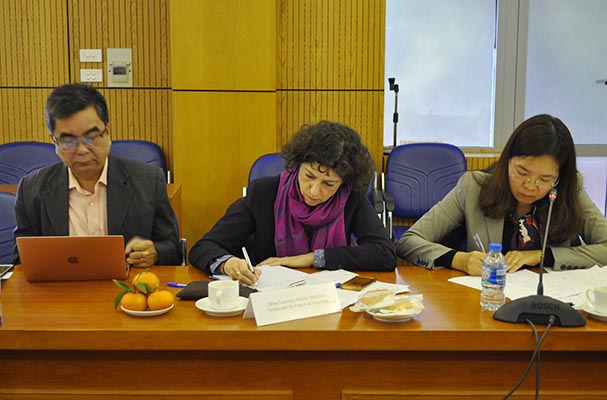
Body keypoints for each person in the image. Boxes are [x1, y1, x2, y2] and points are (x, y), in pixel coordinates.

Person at [189, 121, 397, 285]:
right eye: (309, 176)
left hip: (328, 301)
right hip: (270, 303)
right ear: (297, 165)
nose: (314, 191)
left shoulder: (350, 199)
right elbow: (204, 247)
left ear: (344, 183)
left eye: (328, 184)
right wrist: (228, 263)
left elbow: (385, 254)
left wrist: (311, 258)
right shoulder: (264, 194)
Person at [397, 114, 607, 275]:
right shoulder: (474, 187)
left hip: (554, 301)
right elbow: (409, 241)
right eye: (522, 172)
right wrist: (459, 259)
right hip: (488, 297)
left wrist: (542, 256)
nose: (530, 186)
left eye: (545, 179)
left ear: (559, 177)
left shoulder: (570, 189)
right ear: (507, 161)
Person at [13, 83, 181, 266]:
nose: (82, 150)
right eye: (68, 141)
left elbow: (173, 249)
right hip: (59, 283)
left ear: (107, 132)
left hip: (128, 283)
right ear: (54, 141)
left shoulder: (148, 180)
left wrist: (154, 253)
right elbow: (20, 260)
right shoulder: (31, 190)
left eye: (91, 137)